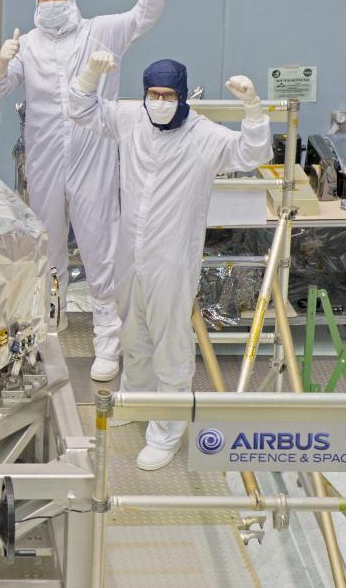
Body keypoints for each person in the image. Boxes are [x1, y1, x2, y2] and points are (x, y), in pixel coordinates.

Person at [69, 51, 272, 470]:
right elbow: (81, 110)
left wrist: (252, 108)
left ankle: (166, 430)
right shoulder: (132, 119)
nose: (159, 102)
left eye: (168, 95)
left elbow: (252, 152)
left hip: (172, 258)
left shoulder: (203, 134)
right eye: (153, 94)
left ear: (182, 96)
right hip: (130, 252)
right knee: (132, 334)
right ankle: (136, 401)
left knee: (170, 346)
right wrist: (89, 73)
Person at [0, 0, 171, 382]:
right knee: (46, 251)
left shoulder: (100, 32)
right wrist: (1, 61)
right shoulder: (28, 45)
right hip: (44, 160)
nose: (52, 3)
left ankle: (107, 342)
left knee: (101, 249)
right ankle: (48, 332)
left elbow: (140, 18)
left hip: (94, 158)